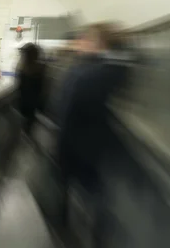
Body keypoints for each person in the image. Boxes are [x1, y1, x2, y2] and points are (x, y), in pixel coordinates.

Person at [55, 22, 128, 247]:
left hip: (78, 142)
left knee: (78, 188)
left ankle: (70, 228)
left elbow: (67, 108)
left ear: (97, 44)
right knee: (94, 192)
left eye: (85, 40)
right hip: (91, 143)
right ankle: (94, 232)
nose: (80, 43)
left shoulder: (84, 72)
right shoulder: (103, 70)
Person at [15, 43, 46, 137]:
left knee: (25, 124)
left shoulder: (22, 69)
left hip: (24, 105)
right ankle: (27, 134)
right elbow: (41, 89)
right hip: (33, 105)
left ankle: (25, 134)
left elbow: (19, 87)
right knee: (28, 125)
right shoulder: (40, 68)